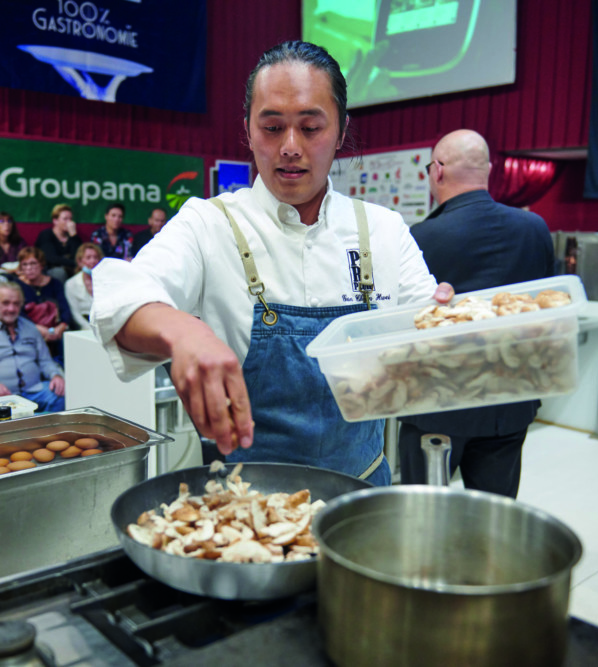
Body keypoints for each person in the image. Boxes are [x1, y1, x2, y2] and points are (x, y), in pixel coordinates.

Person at [89, 41, 452, 486]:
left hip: (361, 495)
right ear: (247, 130)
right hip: (247, 505)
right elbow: (121, 295)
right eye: (273, 127)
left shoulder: (383, 229)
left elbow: (427, 334)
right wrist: (182, 331)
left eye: (311, 127)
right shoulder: (210, 223)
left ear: (340, 132)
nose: (290, 147)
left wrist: (447, 325)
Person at [398, 129, 556, 498]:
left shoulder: (421, 236)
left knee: (423, 519)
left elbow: (405, 321)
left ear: (437, 171)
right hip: (512, 402)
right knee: (494, 517)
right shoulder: (535, 229)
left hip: (436, 406)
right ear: (487, 170)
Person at [0, 282, 66, 413]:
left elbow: (45, 361)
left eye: (16, 304)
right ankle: (35, 426)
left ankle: (42, 429)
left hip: (35, 391)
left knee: (60, 396)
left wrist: (55, 375)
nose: (11, 308)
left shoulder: (31, 329)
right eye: (5, 303)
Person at [13, 247, 71, 358]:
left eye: (33, 263)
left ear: (41, 265)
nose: (29, 268)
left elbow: (65, 309)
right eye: (25, 265)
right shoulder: (17, 285)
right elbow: (19, 314)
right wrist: (40, 329)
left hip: (56, 330)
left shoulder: (55, 284)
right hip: (29, 330)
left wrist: (60, 328)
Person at [36, 203, 82, 283]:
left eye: (70, 219)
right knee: (59, 272)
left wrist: (73, 236)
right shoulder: (46, 235)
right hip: (50, 271)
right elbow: (51, 258)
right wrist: (75, 263)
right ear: (55, 221)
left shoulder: (73, 237)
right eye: (65, 219)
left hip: (71, 269)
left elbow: (78, 255)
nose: (69, 222)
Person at [65, 242, 103, 328]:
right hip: (84, 326)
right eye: (88, 258)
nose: (93, 261)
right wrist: (89, 329)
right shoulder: (71, 284)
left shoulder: (106, 281)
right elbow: (75, 313)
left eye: (95, 257)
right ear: (80, 261)